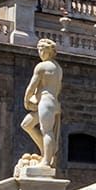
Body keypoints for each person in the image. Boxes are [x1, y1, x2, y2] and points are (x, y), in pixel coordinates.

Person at [20, 38, 63, 172]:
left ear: (50, 51)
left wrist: (26, 101)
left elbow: (32, 86)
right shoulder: (58, 68)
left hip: (45, 102)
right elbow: (58, 87)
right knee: (26, 124)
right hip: (53, 103)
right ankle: (46, 152)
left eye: (42, 49)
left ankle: (46, 161)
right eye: (38, 49)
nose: (40, 52)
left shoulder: (41, 66)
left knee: (47, 131)